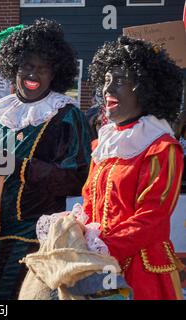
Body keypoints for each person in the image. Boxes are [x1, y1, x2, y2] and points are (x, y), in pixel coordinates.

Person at [0, 18, 92, 300]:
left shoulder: (67, 115)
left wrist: (19, 167)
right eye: (27, 67)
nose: (34, 74)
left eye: (43, 68)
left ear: (54, 74)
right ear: (14, 70)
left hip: (34, 238)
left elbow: (76, 177)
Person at [85, 36, 184, 300]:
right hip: (99, 265)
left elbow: (152, 218)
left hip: (142, 272)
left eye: (119, 80)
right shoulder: (104, 143)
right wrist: (76, 229)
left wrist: (104, 246)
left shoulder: (161, 146)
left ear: (145, 89)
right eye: (106, 80)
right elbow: (88, 201)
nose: (108, 89)